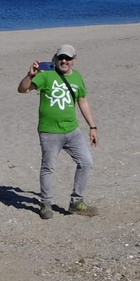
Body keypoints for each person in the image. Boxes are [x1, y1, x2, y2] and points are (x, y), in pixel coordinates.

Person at [16, 44, 98, 219]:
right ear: (56, 58)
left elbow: (82, 101)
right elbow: (22, 90)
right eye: (61, 57)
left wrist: (92, 126)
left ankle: (76, 202)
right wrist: (30, 76)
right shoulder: (46, 75)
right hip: (49, 132)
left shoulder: (77, 77)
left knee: (86, 162)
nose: (64, 61)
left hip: (72, 130)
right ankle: (46, 204)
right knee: (48, 168)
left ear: (74, 60)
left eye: (68, 58)